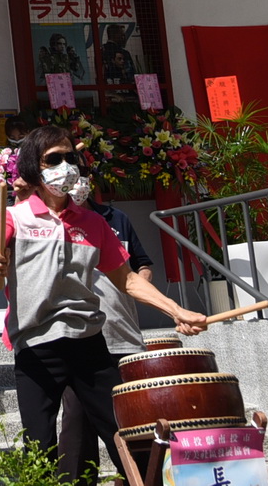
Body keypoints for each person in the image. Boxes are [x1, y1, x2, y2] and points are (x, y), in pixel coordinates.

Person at [0, 126, 208, 458]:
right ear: (34, 169)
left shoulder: (94, 223)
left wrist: (176, 311)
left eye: (70, 157)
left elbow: (129, 280)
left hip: (89, 343)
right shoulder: (13, 218)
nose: (66, 165)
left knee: (125, 436)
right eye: (55, 159)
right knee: (40, 449)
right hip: (36, 347)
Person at [59, 188, 157, 480]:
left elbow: (143, 264)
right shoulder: (52, 222)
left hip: (123, 336)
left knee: (133, 424)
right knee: (77, 427)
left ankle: (140, 478)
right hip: (79, 340)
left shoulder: (117, 219)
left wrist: (137, 285)